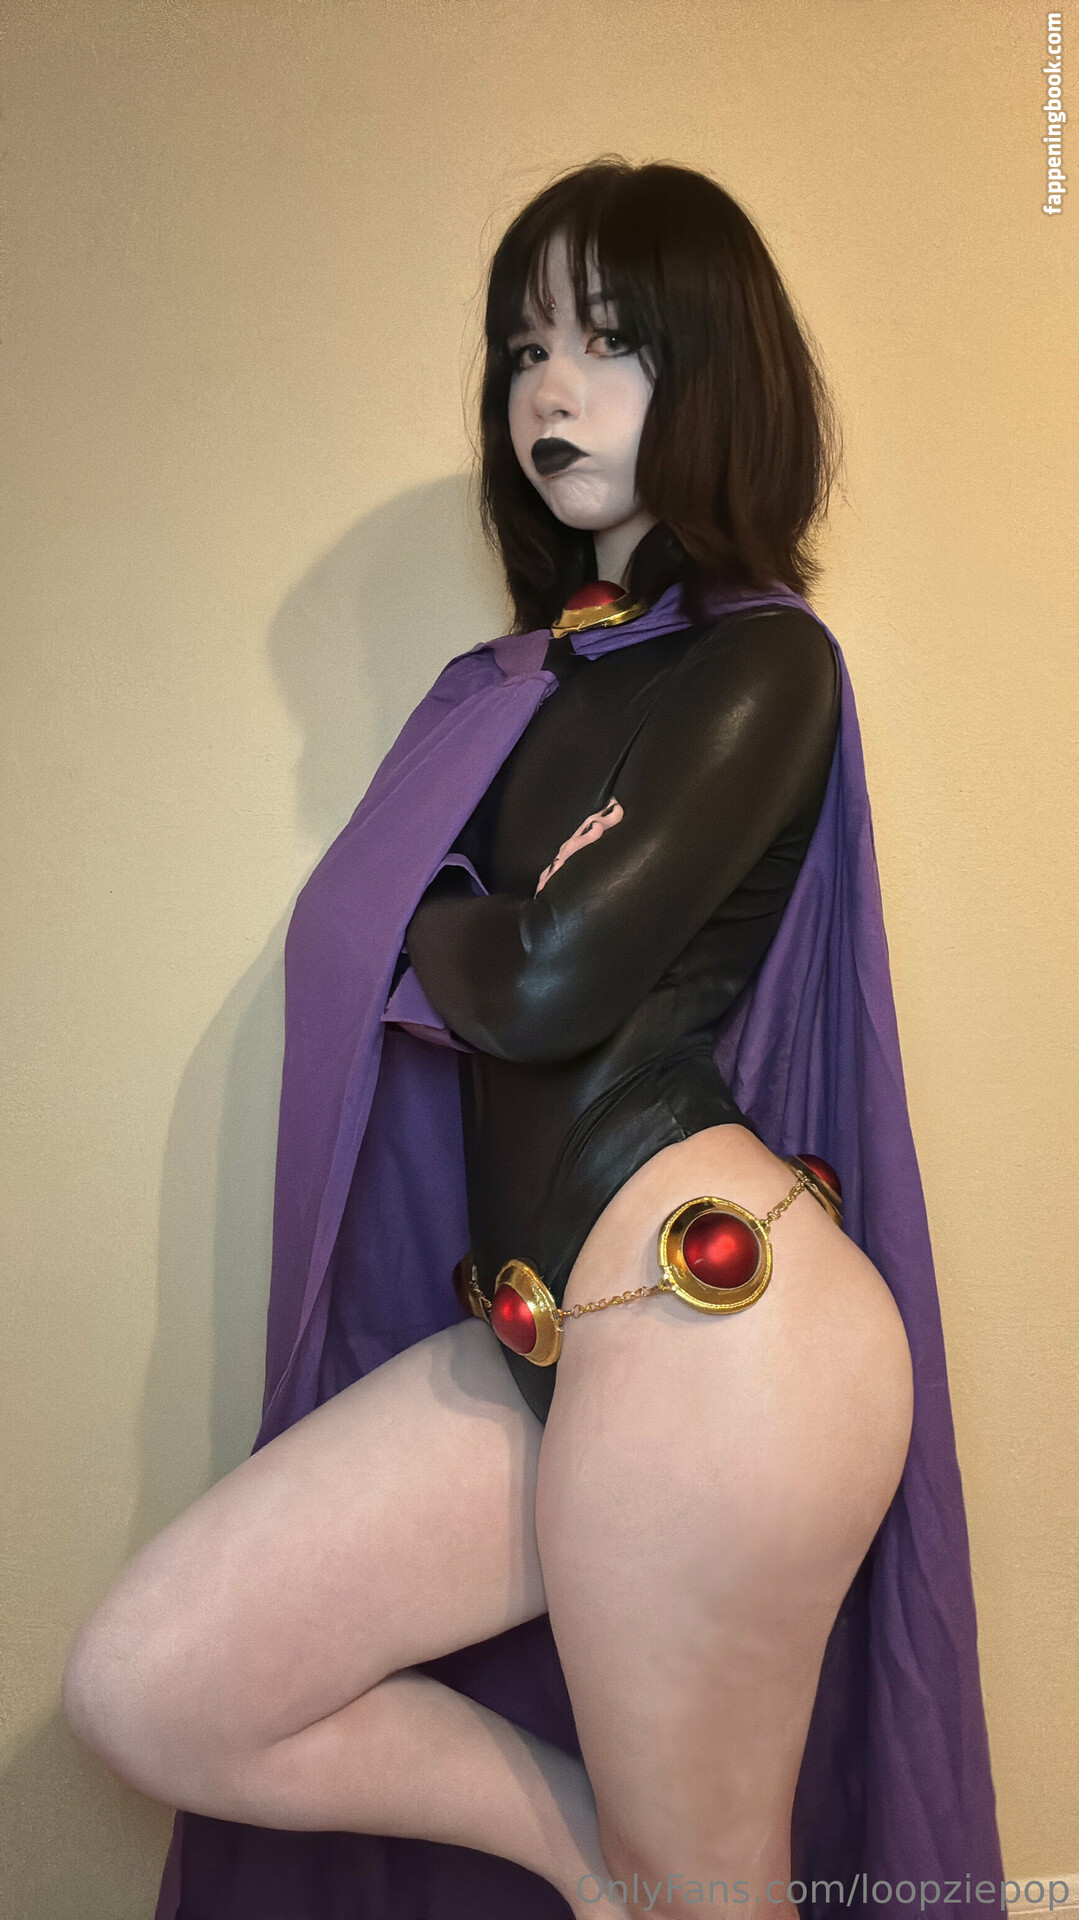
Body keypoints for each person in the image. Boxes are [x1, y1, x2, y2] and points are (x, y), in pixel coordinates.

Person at [61, 162, 1000, 1920]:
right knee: (156, 1681)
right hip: (552, 1334)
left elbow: (542, 985)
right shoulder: (523, 688)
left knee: (705, 1890)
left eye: (612, 341)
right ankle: (602, 1863)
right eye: (525, 350)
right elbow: (498, 951)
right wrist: (481, 911)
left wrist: (442, 907)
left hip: (715, 1324)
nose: (552, 390)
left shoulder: (765, 665)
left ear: (715, 369)